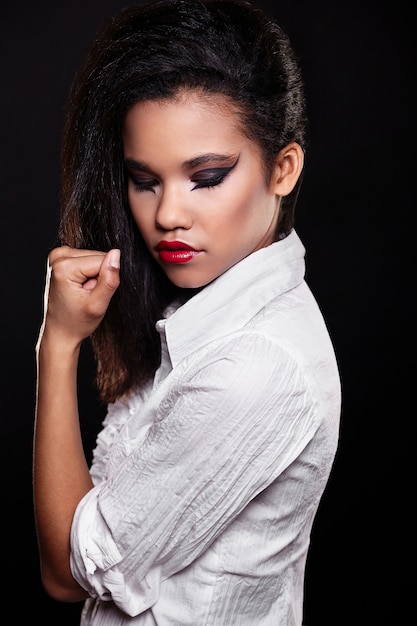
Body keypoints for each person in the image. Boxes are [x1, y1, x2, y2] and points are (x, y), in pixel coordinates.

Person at [33, 0, 341, 624]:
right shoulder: (211, 313)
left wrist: (58, 345)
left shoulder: (253, 369)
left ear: (283, 169)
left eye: (206, 176)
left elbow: (68, 576)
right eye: (145, 179)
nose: (168, 214)